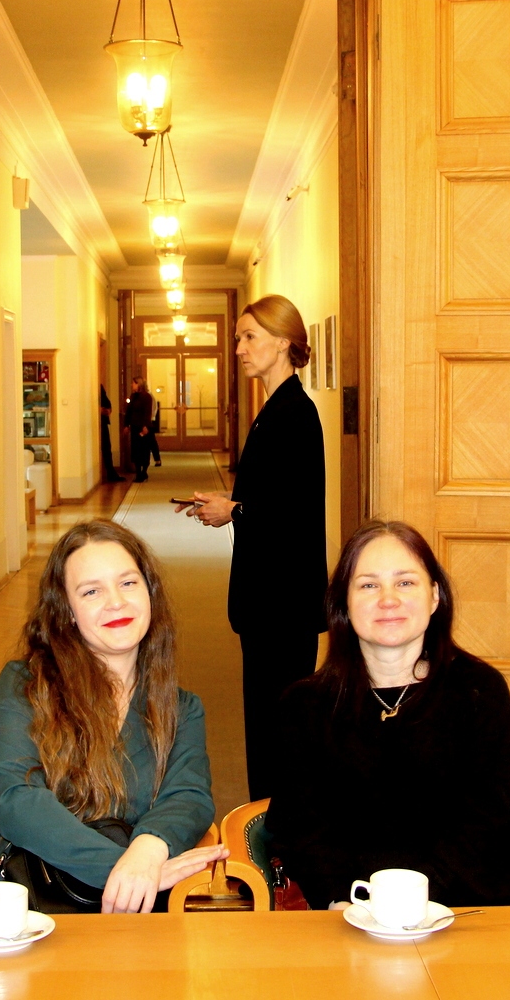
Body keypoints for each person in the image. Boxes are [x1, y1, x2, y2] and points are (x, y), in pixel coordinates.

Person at [0, 520, 225, 914]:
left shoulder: (182, 708)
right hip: (31, 906)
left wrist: (148, 848)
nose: (116, 602)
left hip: (142, 913)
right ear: (67, 611)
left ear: (150, 593)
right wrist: (124, 872)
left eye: (128, 583)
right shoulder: (25, 686)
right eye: (91, 591)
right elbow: (15, 799)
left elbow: (188, 796)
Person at [264, 521, 510, 908]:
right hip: (348, 912)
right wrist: (341, 899)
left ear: (434, 596)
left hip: (465, 910)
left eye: (405, 582)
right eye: (368, 585)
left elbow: (491, 822)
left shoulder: (479, 691)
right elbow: (301, 828)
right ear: (342, 603)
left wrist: (408, 900)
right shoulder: (304, 705)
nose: (388, 599)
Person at [185, 294, 326, 800]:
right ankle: (266, 822)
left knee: (277, 731)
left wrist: (234, 511)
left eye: (250, 337)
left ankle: (274, 831)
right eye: (238, 338)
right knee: (267, 728)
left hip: (282, 605)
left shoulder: (295, 414)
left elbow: (294, 514)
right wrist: (231, 504)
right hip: (270, 602)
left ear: (283, 342)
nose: (240, 348)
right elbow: (273, 497)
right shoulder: (275, 410)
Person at [123, 378, 155, 482]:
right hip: (135, 426)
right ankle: (138, 473)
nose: (131, 385)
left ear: (139, 384)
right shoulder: (133, 396)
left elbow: (147, 412)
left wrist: (145, 426)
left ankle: (144, 471)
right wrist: (126, 425)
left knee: (144, 449)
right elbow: (129, 411)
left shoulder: (147, 396)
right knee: (136, 450)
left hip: (143, 426)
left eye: (133, 383)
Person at [99, 384, 124, 483]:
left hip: (103, 422)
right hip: (99, 422)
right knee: (106, 448)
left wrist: (108, 410)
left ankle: (111, 472)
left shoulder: (99, 388)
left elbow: (106, 402)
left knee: (107, 448)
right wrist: (99, 410)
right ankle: (110, 472)